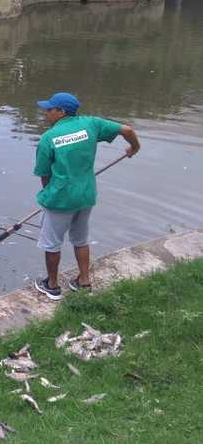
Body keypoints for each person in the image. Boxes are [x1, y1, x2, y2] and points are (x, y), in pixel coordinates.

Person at [33, 92, 140, 299]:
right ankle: (84, 282)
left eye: (50, 109)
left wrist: (48, 195)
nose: (46, 113)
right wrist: (135, 147)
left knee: (52, 243)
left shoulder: (48, 138)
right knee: (81, 240)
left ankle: (52, 286)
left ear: (61, 112)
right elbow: (127, 129)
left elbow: (44, 175)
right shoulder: (91, 123)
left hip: (60, 199)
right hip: (86, 195)